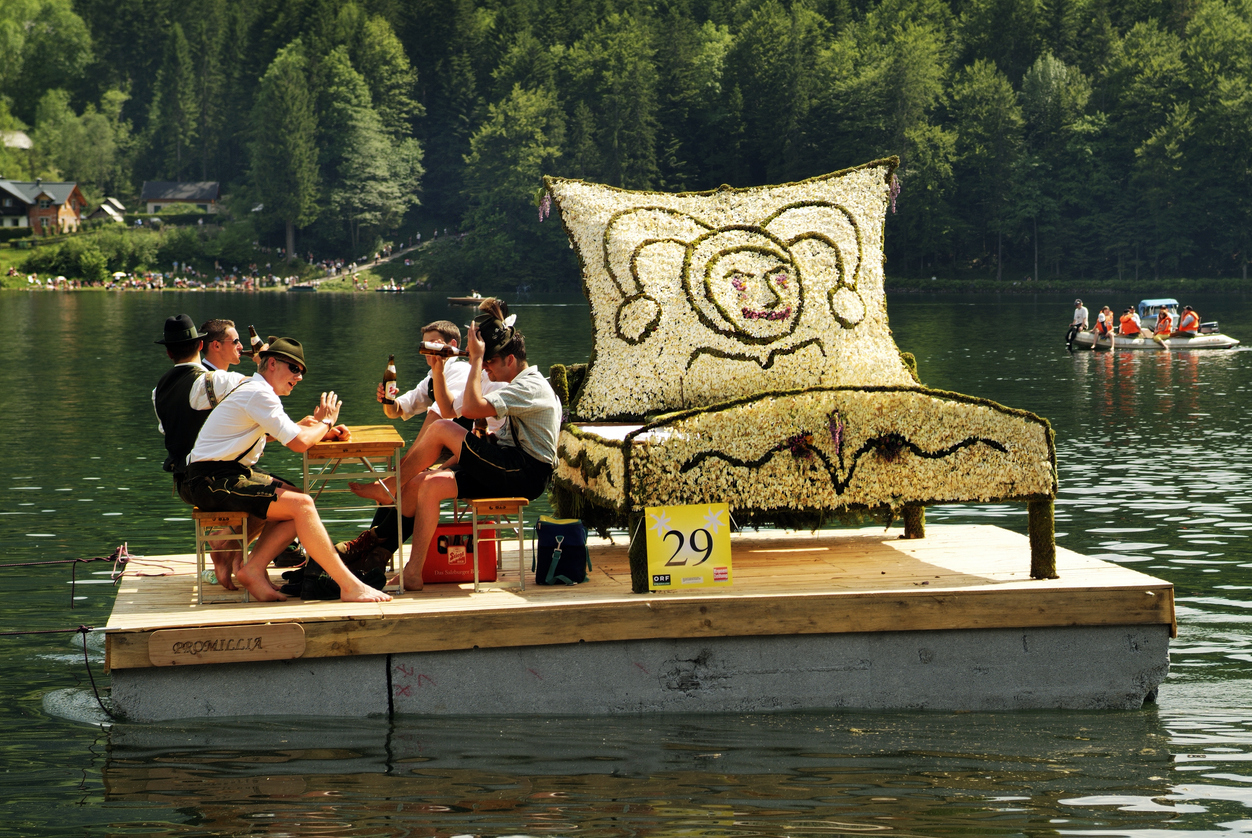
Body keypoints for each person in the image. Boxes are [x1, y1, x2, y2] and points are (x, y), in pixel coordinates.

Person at [345, 302, 561, 590]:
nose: (486, 369)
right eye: (483, 364)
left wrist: (474, 361)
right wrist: (448, 465)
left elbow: (470, 410)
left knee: (442, 429)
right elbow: (462, 415)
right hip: (507, 463)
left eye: (490, 363)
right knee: (430, 484)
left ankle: (390, 485)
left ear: (510, 360)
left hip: (526, 472)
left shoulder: (529, 385)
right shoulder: (515, 382)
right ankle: (412, 570)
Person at [183, 338, 392, 603]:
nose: (299, 377)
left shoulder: (257, 390)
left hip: (225, 473)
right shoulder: (259, 393)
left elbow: (292, 433)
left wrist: (322, 431)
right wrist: (326, 422)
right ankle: (349, 586)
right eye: (294, 368)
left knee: (298, 500)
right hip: (210, 480)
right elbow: (299, 443)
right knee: (302, 505)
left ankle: (252, 567)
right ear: (272, 363)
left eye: (302, 372)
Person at [152, 315, 257, 588]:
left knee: (272, 492)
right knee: (283, 496)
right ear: (201, 346)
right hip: (210, 481)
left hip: (182, 483)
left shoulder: (157, 391)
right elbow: (259, 395)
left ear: (167, 352)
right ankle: (227, 549)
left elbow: (171, 432)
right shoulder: (213, 381)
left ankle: (232, 554)